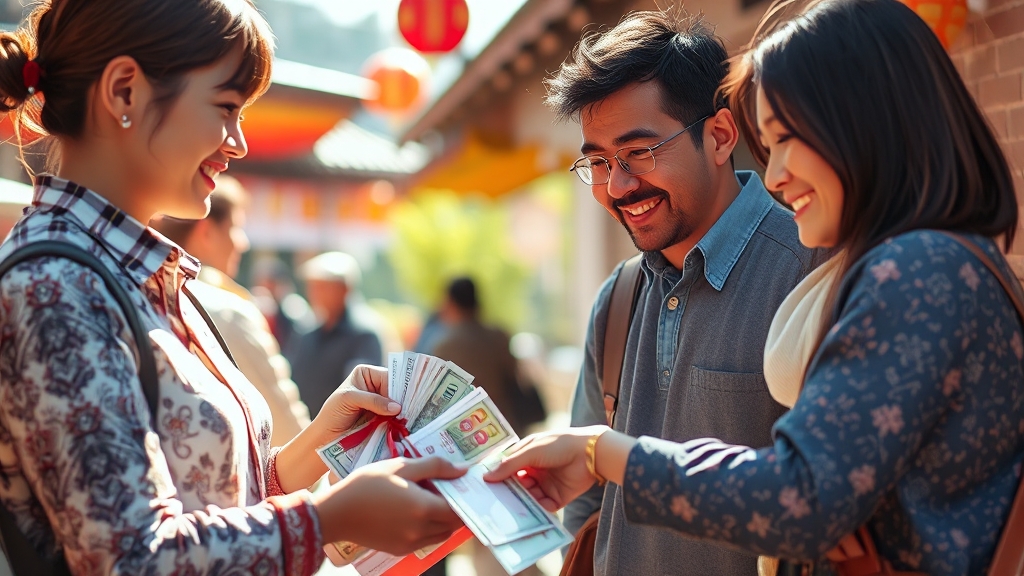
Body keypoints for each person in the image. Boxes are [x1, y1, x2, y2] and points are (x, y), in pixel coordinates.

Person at [484, 1, 1024, 574]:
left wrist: (604, 451)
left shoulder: (906, 272)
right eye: (598, 162)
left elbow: (802, 496)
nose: (774, 173)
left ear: (869, 126)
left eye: (789, 138)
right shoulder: (932, 264)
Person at [0, 2, 465, 574]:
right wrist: (329, 520)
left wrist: (318, 442)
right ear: (124, 92)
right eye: (225, 108)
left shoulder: (136, 272)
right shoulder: (52, 286)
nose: (238, 142)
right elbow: (130, 557)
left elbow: (215, 496)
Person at [550, 9, 820, 576]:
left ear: (719, 136)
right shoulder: (618, 299)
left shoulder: (809, 274)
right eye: (597, 161)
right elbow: (586, 498)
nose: (618, 186)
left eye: (640, 152)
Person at [151, 176, 311, 447]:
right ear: (207, 231)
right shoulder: (230, 311)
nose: (243, 243)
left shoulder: (143, 292)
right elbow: (286, 429)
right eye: (236, 228)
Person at [286, 251, 386, 417]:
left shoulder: (364, 334)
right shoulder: (306, 333)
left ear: (345, 289)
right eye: (312, 286)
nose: (315, 293)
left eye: (323, 287)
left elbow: (361, 393)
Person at [431, 277, 532, 436]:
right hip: (504, 422)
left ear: (451, 303)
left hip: (464, 429)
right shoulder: (499, 336)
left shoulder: (444, 345)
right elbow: (515, 375)